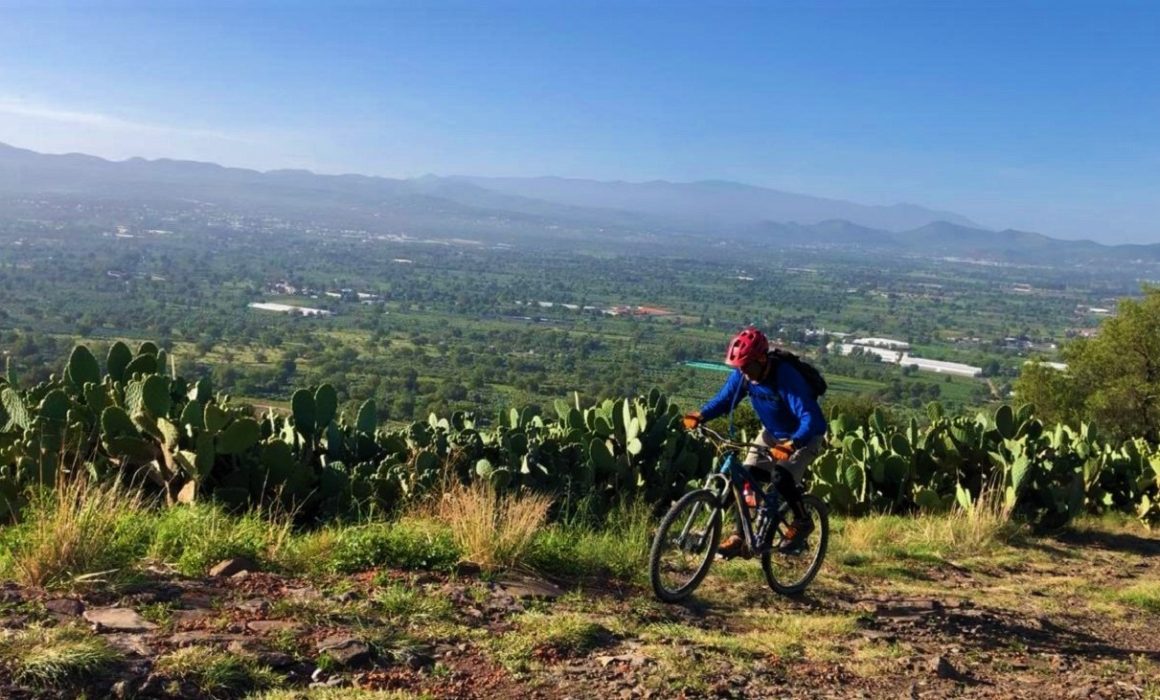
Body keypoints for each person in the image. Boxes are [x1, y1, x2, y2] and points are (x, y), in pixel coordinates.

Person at [684, 326, 827, 557]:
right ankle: (740, 538)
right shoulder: (744, 374)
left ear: (762, 359)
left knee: (781, 477)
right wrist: (701, 415)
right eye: (740, 367)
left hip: (804, 435)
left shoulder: (785, 376)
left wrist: (793, 444)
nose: (744, 373)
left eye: (748, 366)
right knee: (742, 476)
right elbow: (725, 398)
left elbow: (810, 417)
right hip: (771, 433)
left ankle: (802, 521)